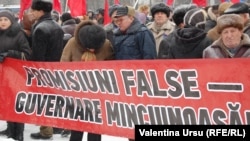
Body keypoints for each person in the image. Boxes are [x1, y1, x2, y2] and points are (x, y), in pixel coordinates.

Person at [60, 20, 114, 141]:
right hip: (77, 93)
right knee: (77, 128)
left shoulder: (105, 44)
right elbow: (62, 67)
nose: (93, 50)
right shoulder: (72, 43)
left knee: (95, 129)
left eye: (96, 48)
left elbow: (112, 67)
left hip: (98, 93)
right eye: (90, 48)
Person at [113, 5, 157, 141]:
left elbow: (150, 60)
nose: (118, 23)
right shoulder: (118, 34)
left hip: (140, 85)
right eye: (116, 21)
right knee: (130, 121)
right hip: (125, 84)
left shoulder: (143, 33)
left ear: (131, 18)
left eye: (121, 20)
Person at [29, 0, 64, 139]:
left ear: (40, 11)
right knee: (54, 98)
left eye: (33, 10)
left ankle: (46, 130)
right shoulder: (57, 26)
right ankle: (55, 126)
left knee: (43, 101)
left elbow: (38, 55)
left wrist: (35, 71)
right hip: (55, 68)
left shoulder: (40, 28)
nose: (31, 13)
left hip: (42, 70)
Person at [0, 10, 32, 141]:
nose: (2, 22)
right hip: (2, 77)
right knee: (6, 104)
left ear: (11, 21)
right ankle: (10, 133)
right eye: (0, 20)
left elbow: (27, 55)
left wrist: (10, 54)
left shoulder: (19, 35)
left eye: (5, 20)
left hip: (16, 76)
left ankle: (18, 135)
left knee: (17, 106)